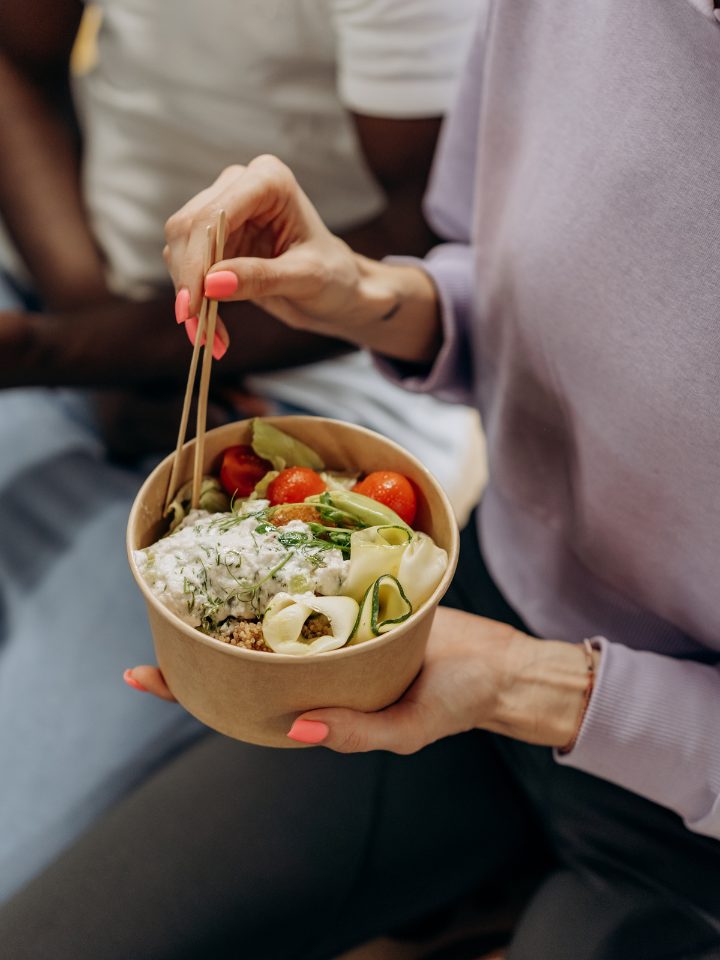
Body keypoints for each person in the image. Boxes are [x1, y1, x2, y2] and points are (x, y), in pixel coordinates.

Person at [4, 1, 720, 958]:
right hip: (473, 618)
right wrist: (367, 295)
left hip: (672, 810)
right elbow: (504, 280)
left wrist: (534, 686)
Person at [0, 0, 483, 902]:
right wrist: (80, 335)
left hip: (310, 377)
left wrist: (63, 355)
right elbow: (15, 56)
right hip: (66, 277)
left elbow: (431, 232)